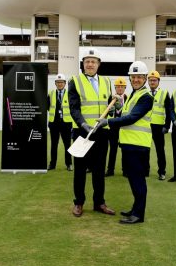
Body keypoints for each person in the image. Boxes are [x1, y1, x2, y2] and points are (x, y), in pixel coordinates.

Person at [95, 61, 153, 224]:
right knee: (133, 180)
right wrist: (119, 106)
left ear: (145, 78)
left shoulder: (146, 97)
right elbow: (125, 113)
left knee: (138, 180)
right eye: (133, 77)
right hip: (128, 144)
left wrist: (108, 122)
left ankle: (138, 215)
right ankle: (135, 209)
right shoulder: (134, 95)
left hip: (138, 145)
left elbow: (132, 117)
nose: (136, 80)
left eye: (139, 77)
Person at [68, 49, 115, 217]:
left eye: (93, 61)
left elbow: (110, 105)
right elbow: (73, 108)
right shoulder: (74, 81)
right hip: (82, 133)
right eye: (87, 61)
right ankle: (79, 203)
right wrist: (82, 123)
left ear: (98, 64)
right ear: (83, 64)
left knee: (99, 170)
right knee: (80, 170)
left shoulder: (107, 81)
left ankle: (99, 203)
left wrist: (116, 106)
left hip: (102, 133)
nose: (90, 64)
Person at [147, 70, 171, 180]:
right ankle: (145, 170)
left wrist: (167, 126)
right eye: (150, 80)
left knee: (160, 150)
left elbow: (169, 111)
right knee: (145, 149)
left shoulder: (165, 93)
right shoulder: (145, 93)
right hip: (146, 126)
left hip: (159, 126)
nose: (152, 82)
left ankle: (162, 172)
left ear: (158, 81)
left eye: (154, 80)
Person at [47, 73, 73, 171]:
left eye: (61, 82)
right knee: (54, 145)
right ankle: (52, 164)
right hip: (54, 123)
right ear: (55, 83)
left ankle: (69, 164)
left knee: (67, 145)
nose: (60, 84)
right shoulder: (51, 93)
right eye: (58, 82)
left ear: (65, 83)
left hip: (66, 123)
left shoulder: (70, 94)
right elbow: (47, 107)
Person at [105, 77, 127, 177]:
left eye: (122, 87)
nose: (120, 89)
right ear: (115, 88)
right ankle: (110, 170)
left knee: (124, 150)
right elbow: (107, 113)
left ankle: (125, 170)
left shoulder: (128, 98)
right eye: (118, 87)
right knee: (112, 150)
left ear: (125, 88)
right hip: (113, 127)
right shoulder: (110, 98)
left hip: (124, 128)